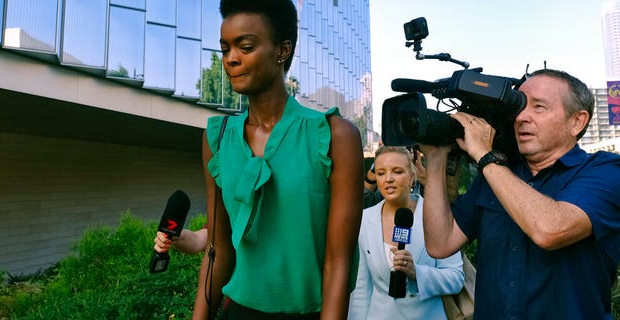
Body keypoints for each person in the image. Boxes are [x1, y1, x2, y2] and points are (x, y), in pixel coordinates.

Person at [192, 0, 364, 319]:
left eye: (245, 46)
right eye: (225, 48)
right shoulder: (216, 138)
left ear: (282, 51)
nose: (231, 58)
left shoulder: (335, 136)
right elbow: (218, 250)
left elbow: (336, 262)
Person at [419, 69, 620, 319]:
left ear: (577, 121)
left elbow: (550, 230)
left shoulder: (606, 171)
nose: (521, 117)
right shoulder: (495, 175)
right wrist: (437, 157)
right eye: (520, 106)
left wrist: (485, 155)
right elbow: (440, 243)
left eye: (539, 107)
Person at [349, 146, 464, 319]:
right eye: (381, 173)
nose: (388, 179)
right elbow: (361, 289)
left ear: (412, 178)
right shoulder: (364, 220)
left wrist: (416, 272)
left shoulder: (437, 216)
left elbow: (456, 279)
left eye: (397, 171)